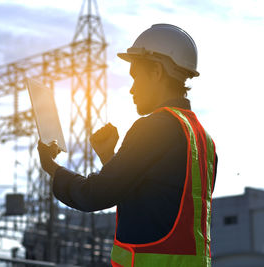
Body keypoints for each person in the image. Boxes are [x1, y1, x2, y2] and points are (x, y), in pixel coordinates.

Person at [38, 24, 218, 266]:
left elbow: (94, 195)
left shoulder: (155, 127)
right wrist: (109, 157)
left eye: (135, 76)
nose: (132, 89)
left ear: (156, 71)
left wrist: (51, 167)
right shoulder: (203, 139)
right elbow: (156, 204)